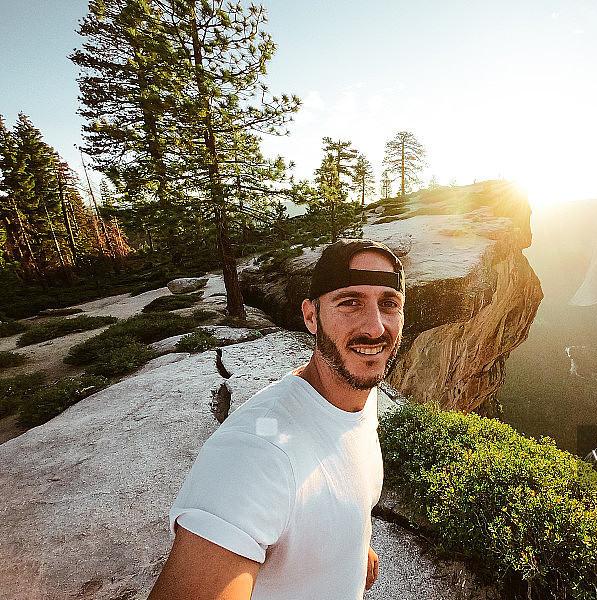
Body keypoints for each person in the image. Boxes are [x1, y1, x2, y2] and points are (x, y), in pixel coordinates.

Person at [148, 239, 405, 600]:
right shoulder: (255, 452)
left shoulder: (359, 393)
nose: (375, 328)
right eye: (350, 302)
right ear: (311, 316)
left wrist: (353, 543)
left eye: (389, 303)